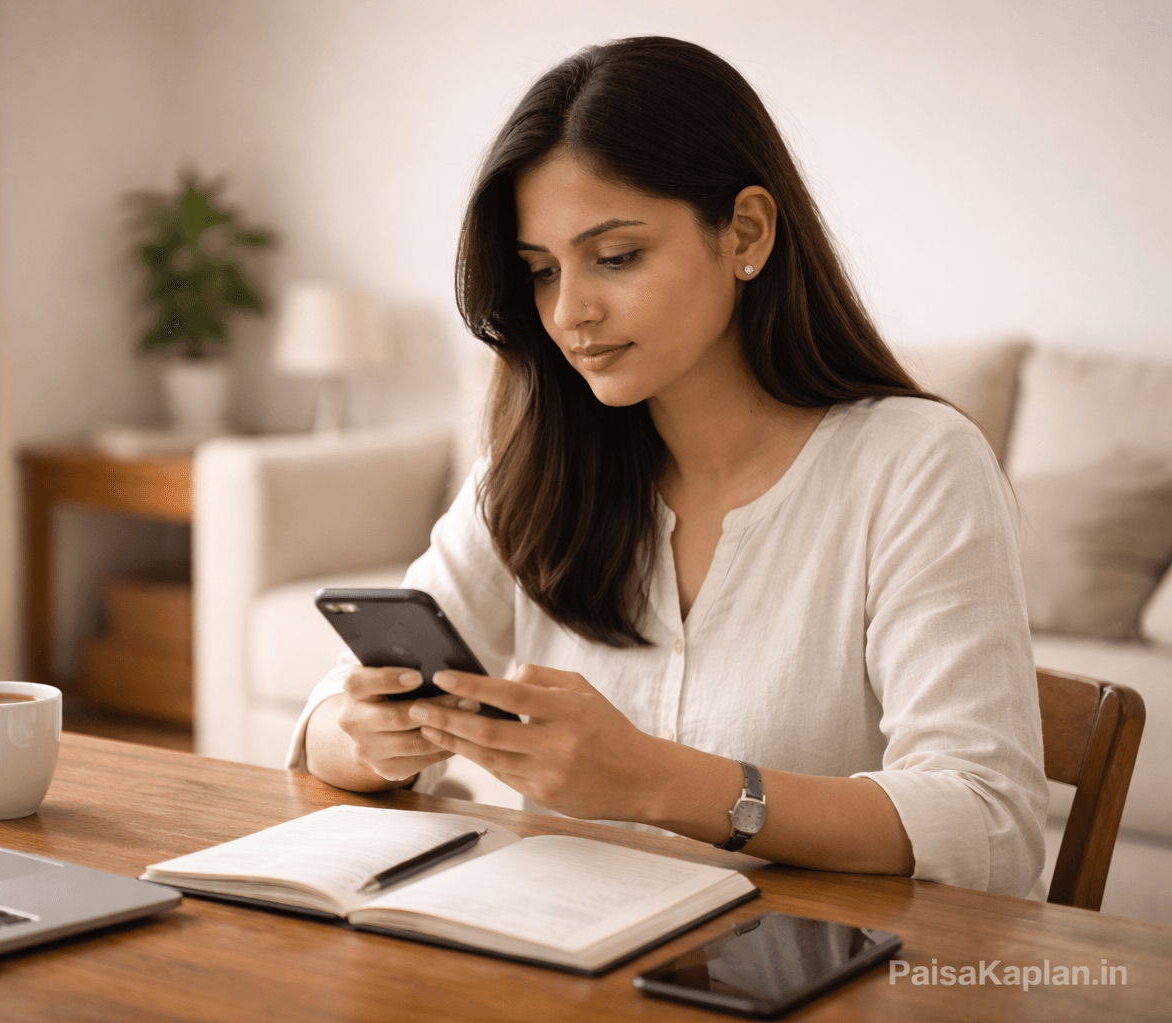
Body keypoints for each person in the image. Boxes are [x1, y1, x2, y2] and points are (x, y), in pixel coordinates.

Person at [286, 36, 1047, 896]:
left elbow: (991, 821)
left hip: (818, 974)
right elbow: (329, 720)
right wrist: (371, 738)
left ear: (746, 233)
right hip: (559, 961)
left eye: (616, 258)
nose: (570, 312)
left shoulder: (915, 465)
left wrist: (658, 781)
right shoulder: (535, 466)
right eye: (541, 272)